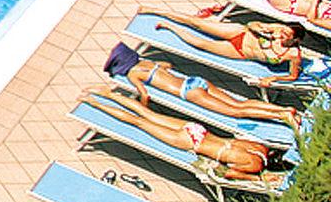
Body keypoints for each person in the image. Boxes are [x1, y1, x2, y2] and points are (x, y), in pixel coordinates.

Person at [80, 89, 279, 179]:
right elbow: (229, 173)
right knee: (139, 122)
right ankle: (94, 103)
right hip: (191, 142)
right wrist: (257, 179)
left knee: (147, 113)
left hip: (198, 130)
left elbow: (235, 140)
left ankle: (105, 93)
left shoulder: (259, 147)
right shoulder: (255, 165)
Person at [104, 49, 304, 137]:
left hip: (188, 93)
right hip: (195, 81)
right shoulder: (146, 62)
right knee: (240, 103)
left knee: (236, 112)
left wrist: (145, 108)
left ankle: (283, 116)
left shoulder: (133, 74)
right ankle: (283, 109)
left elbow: (144, 95)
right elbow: (168, 65)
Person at [138, 7, 305, 83]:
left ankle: (170, 27)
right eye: (284, 29)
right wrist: (262, 30)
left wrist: (273, 78)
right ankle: (153, 10)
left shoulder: (293, 55)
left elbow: (293, 76)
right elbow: (252, 24)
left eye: (286, 34)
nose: (282, 33)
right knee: (195, 23)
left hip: (241, 52)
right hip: (241, 33)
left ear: (294, 40)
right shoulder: (276, 29)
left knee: (201, 44)